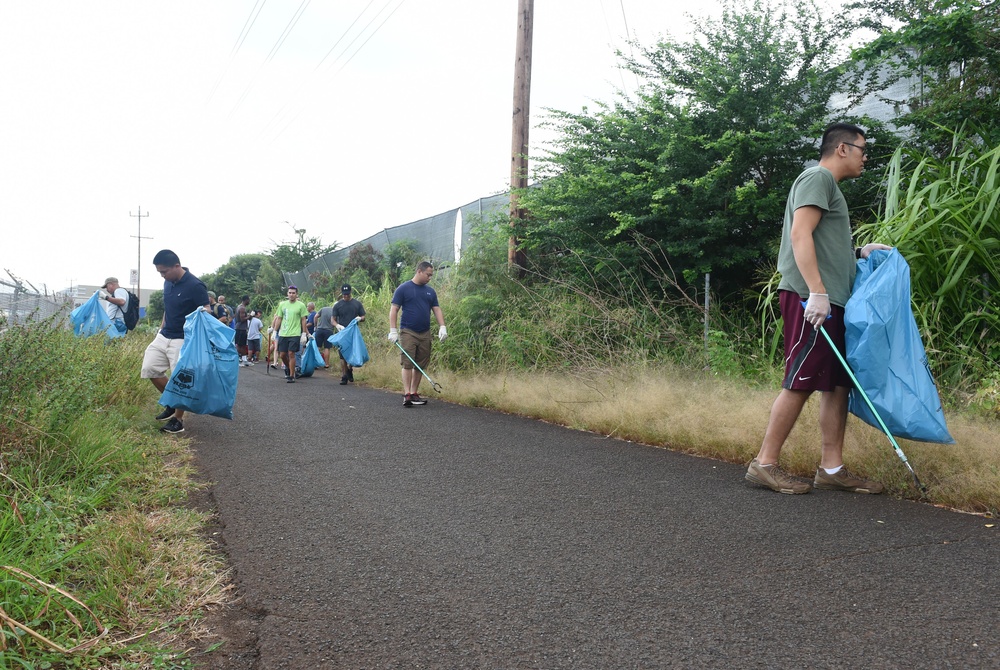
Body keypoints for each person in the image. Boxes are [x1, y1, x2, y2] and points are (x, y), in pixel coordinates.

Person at [746, 123, 892, 495]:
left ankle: (832, 468)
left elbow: (822, 239)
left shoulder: (830, 188)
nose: (865, 156)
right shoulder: (818, 178)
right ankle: (764, 464)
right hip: (812, 298)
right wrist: (816, 293)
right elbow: (800, 234)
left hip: (831, 299)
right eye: (862, 148)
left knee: (837, 384)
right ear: (842, 149)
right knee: (802, 378)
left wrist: (859, 252)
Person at [141, 249, 210, 434]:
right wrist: (161, 328)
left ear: (177, 266)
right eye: (160, 272)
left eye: (164, 271)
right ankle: (171, 401)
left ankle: (178, 421)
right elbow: (168, 307)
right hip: (164, 335)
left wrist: (202, 314)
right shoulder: (167, 283)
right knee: (150, 368)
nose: (162, 275)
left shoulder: (195, 285)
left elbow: (207, 309)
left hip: (183, 338)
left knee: (181, 380)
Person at [388, 262, 446, 407]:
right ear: (419, 271)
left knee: (420, 363)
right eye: (428, 274)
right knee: (408, 362)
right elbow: (394, 309)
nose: (430, 278)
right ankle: (407, 394)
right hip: (408, 331)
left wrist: (442, 326)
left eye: (431, 275)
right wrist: (393, 330)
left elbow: (436, 309)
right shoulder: (403, 288)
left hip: (425, 332)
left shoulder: (430, 292)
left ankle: (414, 393)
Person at [272, 285, 310, 383]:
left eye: (293, 293)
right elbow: (279, 318)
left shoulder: (301, 305)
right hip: (283, 333)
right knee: (283, 354)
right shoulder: (282, 305)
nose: (291, 295)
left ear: (296, 294)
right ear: (287, 294)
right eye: (290, 293)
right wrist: (275, 331)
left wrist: (304, 333)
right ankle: (288, 368)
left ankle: (292, 375)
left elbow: (303, 320)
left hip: (295, 333)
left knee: (291, 353)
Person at [331, 284, 366, 385]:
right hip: (343, 332)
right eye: (344, 295)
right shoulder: (338, 305)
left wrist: (360, 318)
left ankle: (350, 369)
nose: (346, 296)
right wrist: (337, 325)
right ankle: (344, 375)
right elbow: (332, 319)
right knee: (342, 355)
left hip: (353, 332)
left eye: (347, 294)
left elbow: (363, 316)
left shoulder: (357, 304)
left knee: (352, 352)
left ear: (350, 293)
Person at [313, 301, 337, 369]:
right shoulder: (336, 313)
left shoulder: (324, 308)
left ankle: (316, 363)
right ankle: (326, 364)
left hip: (319, 330)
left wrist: (315, 326)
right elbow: (336, 323)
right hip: (328, 331)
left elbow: (315, 317)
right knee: (327, 348)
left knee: (317, 347)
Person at [235, 295, 251, 365]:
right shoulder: (242, 308)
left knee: (241, 344)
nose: (249, 301)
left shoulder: (239, 307)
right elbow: (242, 319)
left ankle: (243, 359)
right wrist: (250, 316)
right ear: (246, 300)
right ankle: (242, 360)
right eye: (248, 300)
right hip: (241, 328)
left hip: (239, 328)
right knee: (241, 345)